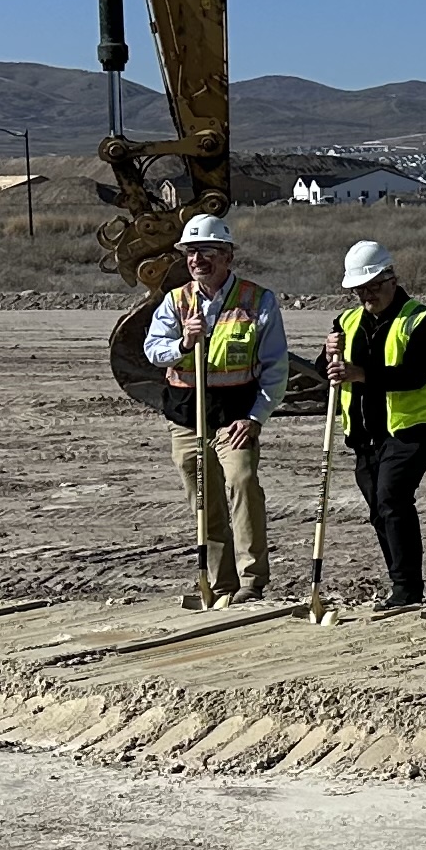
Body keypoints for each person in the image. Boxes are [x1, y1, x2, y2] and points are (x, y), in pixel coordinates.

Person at [144, 211, 285, 601]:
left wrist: (257, 417)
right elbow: (153, 350)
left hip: (236, 418)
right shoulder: (176, 301)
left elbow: (275, 367)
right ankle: (220, 584)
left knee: (242, 482)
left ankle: (252, 580)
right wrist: (183, 344)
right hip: (187, 417)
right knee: (204, 499)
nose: (197, 260)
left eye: (207, 251)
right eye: (191, 252)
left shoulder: (257, 301)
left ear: (227, 256)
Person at [328, 239, 426, 615]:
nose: (367, 296)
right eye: (360, 290)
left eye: (373, 287)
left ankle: (406, 589)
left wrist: (359, 373)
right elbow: (328, 370)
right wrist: (329, 359)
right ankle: (403, 582)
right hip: (366, 432)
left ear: (392, 278)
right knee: (379, 508)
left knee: (392, 497)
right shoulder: (346, 322)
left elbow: (415, 374)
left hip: (415, 427)